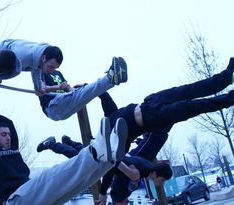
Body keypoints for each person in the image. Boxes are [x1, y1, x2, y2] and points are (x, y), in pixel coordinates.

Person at [0, 111, 128, 205]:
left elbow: (9, 124)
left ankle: (108, 161)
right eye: (3, 135)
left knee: (74, 185)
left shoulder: (13, 148)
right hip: (18, 202)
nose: (8, 138)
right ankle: (95, 150)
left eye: (8, 135)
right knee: (52, 175)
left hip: (33, 204)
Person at [98, 57, 234, 154]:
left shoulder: (109, 117)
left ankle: (226, 77)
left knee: (188, 89)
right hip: (154, 119)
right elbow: (115, 162)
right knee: (192, 107)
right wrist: (103, 191)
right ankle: (230, 98)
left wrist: (87, 87)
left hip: (150, 102)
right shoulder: (117, 142)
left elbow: (104, 96)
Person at [36, 132, 172, 205]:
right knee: (77, 157)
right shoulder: (138, 172)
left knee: (82, 151)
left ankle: (67, 141)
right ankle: (52, 144)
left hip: (102, 159)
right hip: (101, 162)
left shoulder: (145, 168)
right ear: (157, 175)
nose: (161, 184)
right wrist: (102, 193)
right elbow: (112, 167)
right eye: (163, 181)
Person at [38, 58, 127, 121]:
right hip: (52, 106)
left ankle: (115, 78)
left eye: (55, 66)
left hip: (63, 110)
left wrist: (80, 89)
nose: (53, 68)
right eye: (51, 66)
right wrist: (58, 87)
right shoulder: (41, 72)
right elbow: (42, 88)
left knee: (87, 94)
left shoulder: (58, 73)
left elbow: (69, 89)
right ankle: (110, 77)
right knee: (85, 92)